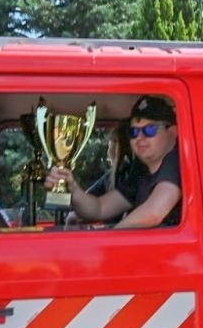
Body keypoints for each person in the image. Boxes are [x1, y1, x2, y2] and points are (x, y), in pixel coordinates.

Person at [47, 95, 181, 228]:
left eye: (149, 130)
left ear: (172, 132)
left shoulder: (177, 162)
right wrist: (73, 189)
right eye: (133, 132)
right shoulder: (141, 170)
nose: (139, 138)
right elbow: (100, 208)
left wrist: (112, 235)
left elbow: (154, 212)